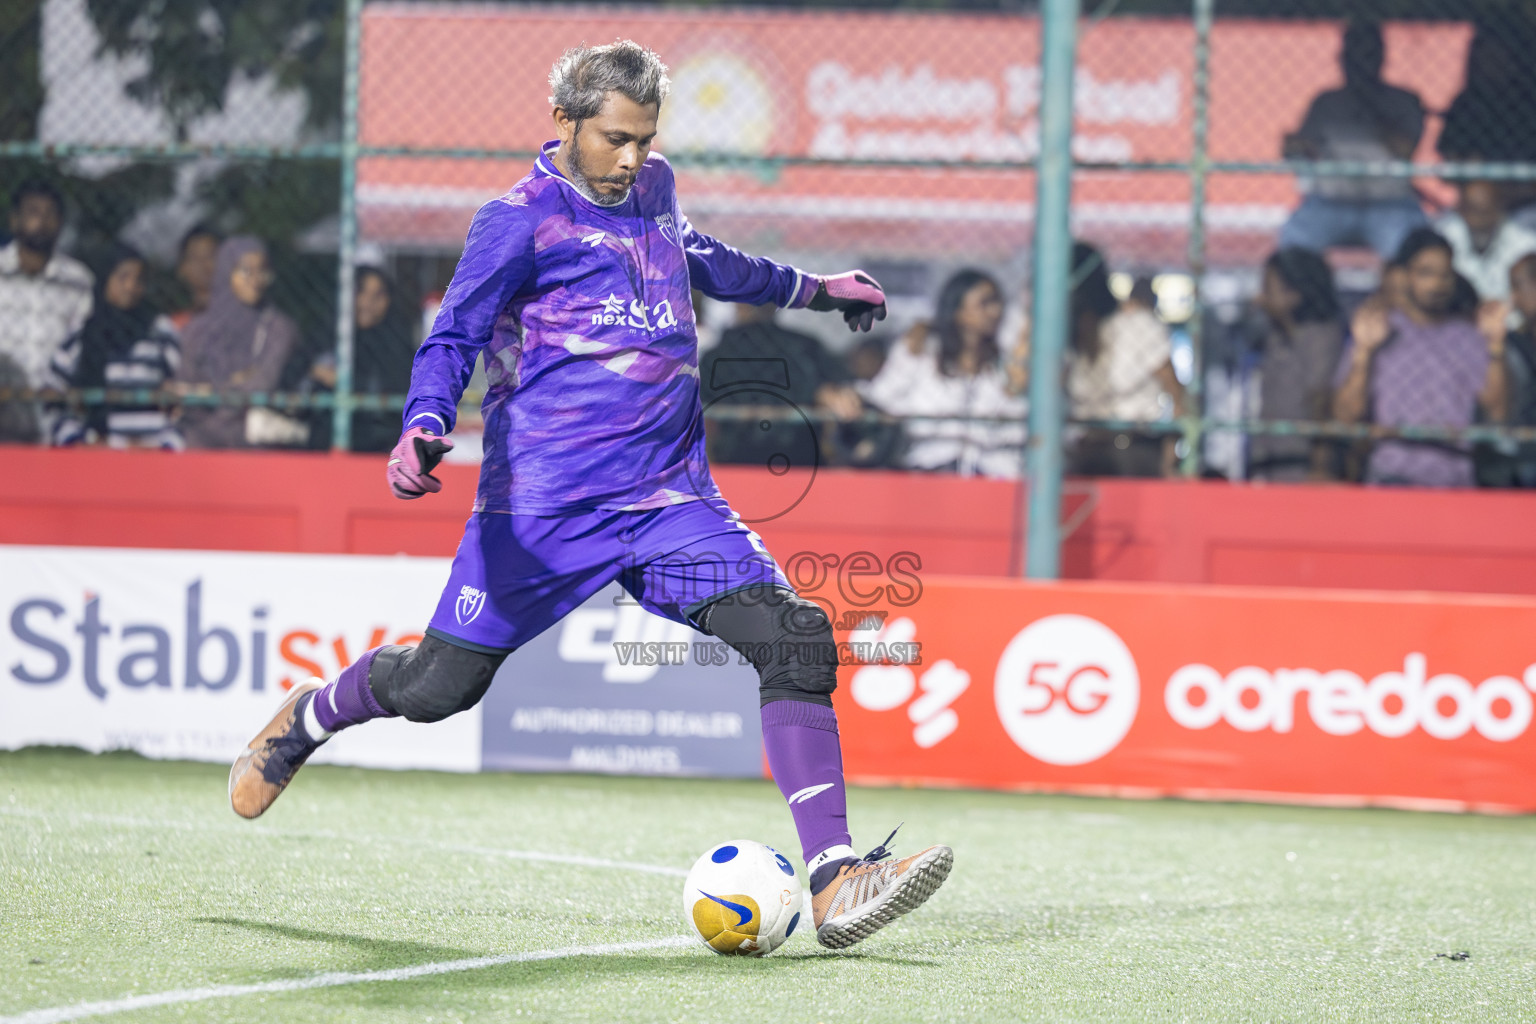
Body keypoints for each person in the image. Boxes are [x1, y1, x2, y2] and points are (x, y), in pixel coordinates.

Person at [227, 40, 951, 950]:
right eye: (616, 138)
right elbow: (451, 337)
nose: (633, 158)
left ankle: (838, 876)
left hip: (667, 503)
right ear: (563, 122)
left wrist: (816, 288)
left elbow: (712, 261)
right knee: (439, 687)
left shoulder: (653, 190)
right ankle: (311, 715)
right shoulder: (516, 221)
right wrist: (421, 423)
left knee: (795, 636)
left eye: (646, 139)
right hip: (541, 517)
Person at [1332, 228, 1506, 487]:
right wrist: (1363, 354)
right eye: (1426, 273)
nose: (1436, 284)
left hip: (1452, 482)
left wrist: (1495, 347)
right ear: (1404, 276)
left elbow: (1498, 412)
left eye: (1444, 275)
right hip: (1390, 481)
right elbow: (1345, 418)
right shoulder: (1380, 330)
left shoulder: (1469, 338)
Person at [1278, 22, 1427, 259]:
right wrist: (1298, 146)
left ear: (1381, 58)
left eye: (1366, 56)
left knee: (1409, 249)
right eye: (1352, 56)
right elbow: (1299, 148)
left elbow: (1406, 149)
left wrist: (1371, 109)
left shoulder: (1403, 101)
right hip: (1331, 202)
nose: (1358, 65)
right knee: (1295, 238)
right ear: (1341, 59)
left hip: (1388, 203)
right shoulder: (1326, 102)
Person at [859, 268, 1027, 478]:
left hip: (993, 475)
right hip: (928, 471)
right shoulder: (920, 350)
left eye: (998, 303)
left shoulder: (1005, 363)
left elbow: (1019, 426)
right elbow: (881, 396)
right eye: (985, 303)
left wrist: (1015, 387)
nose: (996, 311)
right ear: (958, 310)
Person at [1065, 243, 1186, 477]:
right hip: (1086, 452)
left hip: (1134, 451)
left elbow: (1178, 396)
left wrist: (1171, 456)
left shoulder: (1137, 325)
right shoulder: (1066, 341)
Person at [700, 301, 863, 470]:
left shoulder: (714, 357)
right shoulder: (806, 347)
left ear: (738, 304)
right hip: (801, 466)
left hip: (736, 467)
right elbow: (844, 393)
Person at [49, 245, 182, 449]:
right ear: (105, 280)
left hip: (154, 455)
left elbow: (186, 392)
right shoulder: (84, 333)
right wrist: (78, 443)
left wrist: (164, 445)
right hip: (96, 454)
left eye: (139, 280)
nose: (131, 286)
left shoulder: (160, 332)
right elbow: (53, 393)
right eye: (123, 277)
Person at [176, 236, 300, 449]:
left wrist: (210, 392)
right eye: (245, 271)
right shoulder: (196, 331)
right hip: (200, 443)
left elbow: (262, 385)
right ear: (226, 272)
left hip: (256, 447)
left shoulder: (278, 328)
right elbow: (185, 388)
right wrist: (235, 385)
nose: (255, 279)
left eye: (262, 271)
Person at [1249, 248, 1344, 482]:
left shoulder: (1322, 338)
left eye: (1268, 289)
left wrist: (1320, 467)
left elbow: (1321, 402)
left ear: (1294, 294)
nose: (1260, 298)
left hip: (1305, 468)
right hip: (1270, 462)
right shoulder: (1275, 336)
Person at [0, 180, 94, 399]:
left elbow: (83, 342)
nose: (42, 221)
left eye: (50, 214)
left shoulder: (78, 280)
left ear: (60, 223)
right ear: (15, 221)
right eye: (33, 212)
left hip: (55, 400)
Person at [1434, 181, 1536, 304]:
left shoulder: (1527, 244)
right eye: (1472, 211)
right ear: (1460, 211)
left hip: (1511, 317)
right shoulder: (1443, 237)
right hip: (1458, 317)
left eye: (1485, 212)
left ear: (1499, 209)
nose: (1478, 222)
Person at [167, 225, 222, 333]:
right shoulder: (176, 327)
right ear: (182, 270)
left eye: (210, 256)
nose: (204, 265)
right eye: (195, 259)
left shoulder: (250, 307)